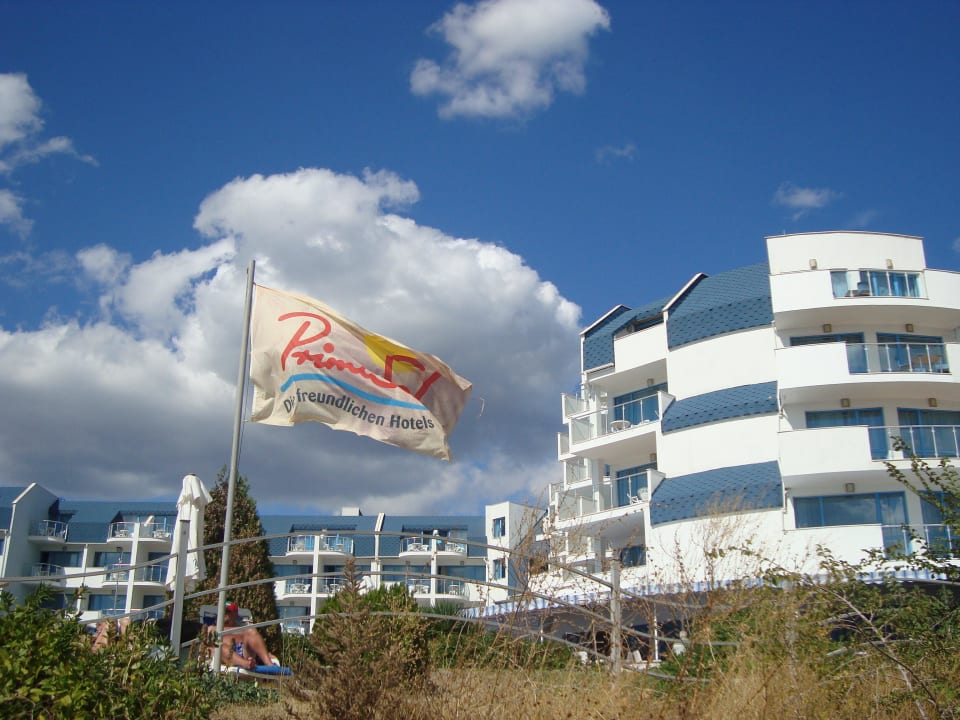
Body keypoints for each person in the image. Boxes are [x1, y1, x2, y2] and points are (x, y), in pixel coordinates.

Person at [215, 601, 278, 670]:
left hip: (245, 654)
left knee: (252, 631)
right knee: (219, 647)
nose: (223, 614)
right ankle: (246, 664)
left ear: (235, 614)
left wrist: (266, 655)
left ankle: (270, 665)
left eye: (227, 611)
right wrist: (243, 632)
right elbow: (211, 632)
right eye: (221, 611)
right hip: (225, 657)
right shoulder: (212, 627)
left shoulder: (244, 629)